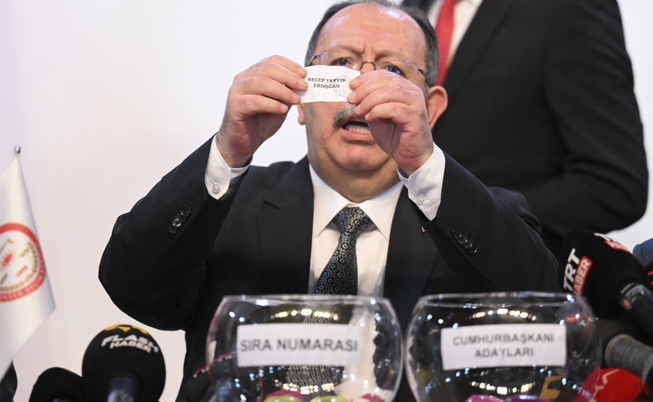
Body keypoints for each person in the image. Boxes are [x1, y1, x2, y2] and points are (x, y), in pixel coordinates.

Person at [99, 1, 559, 401]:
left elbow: (542, 313)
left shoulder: (478, 218)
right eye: (341, 65)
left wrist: (424, 163)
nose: (361, 93)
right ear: (302, 97)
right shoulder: (229, 203)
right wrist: (226, 151)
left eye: (392, 72)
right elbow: (132, 286)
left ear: (431, 108)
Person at [402, 0, 648, 254]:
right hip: (393, 267)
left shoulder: (570, 7)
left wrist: (478, 218)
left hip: (498, 270)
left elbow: (614, 185)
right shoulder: (410, 8)